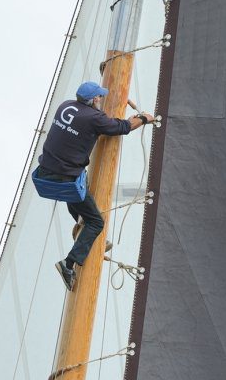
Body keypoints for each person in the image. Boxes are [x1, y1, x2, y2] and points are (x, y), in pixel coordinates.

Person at [35, 81, 154, 290]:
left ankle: (81, 224)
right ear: (93, 100)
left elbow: (83, 126)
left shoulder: (66, 106)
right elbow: (123, 127)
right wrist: (143, 118)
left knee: (81, 183)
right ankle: (69, 263)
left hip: (45, 174)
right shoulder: (94, 118)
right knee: (96, 222)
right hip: (66, 181)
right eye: (98, 97)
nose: (100, 99)